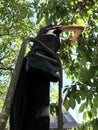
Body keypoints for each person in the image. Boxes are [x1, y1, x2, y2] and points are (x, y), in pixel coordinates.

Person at [10, 24, 84, 130]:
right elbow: (80, 28)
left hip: (36, 65)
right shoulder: (53, 28)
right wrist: (71, 40)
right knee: (32, 104)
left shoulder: (41, 35)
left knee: (26, 103)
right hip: (37, 63)